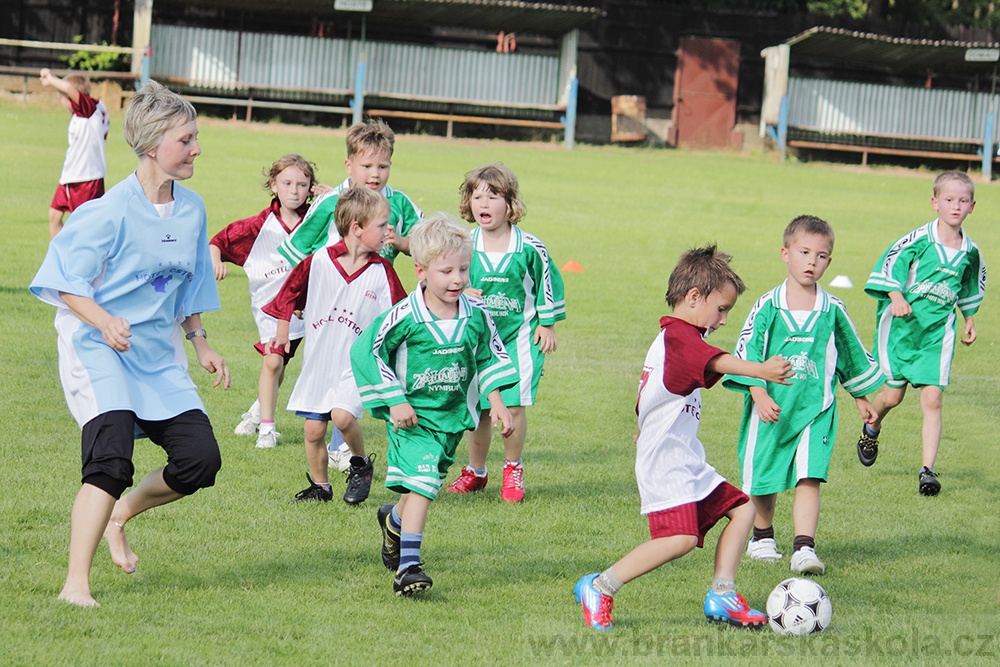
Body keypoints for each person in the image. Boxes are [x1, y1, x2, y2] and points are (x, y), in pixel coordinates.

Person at [29, 80, 229, 608]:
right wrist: (104, 321)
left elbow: (188, 288)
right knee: (110, 459)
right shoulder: (107, 210)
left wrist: (201, 343)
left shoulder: (192, 210)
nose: (196, 149)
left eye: (195, 137)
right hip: (98, 347)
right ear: (151, 144)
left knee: (200, 460)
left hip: (157, 357)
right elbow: (62, 277)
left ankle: (122, 514)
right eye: (186, 139)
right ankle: (76, 585)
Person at [573, 245, 793, 631]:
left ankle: (722, 594)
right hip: (666, 460)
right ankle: (600, 585)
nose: (724, 319)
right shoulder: (679, 336)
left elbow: (653, 395)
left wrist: (643, 423)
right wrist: (760, 370)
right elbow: (716, 361)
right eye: (721, 309)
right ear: (694, 297)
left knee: (743, 510)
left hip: (685, 455)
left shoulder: (676, 339)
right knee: (681, 539)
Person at [351, 213, 517, 596]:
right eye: (446, 271)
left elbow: (489, 357)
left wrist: (499, 403)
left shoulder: (476, 316)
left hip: (451, 417)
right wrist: (394, 401)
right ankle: (409, 568)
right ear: (421, 271)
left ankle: (393, 522)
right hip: (412, 419)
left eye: (463, 269)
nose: (457, 279)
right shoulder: (405, 316)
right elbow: (366, 352)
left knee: (419, 487)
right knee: (425, 486)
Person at [724, 216, 882, 576]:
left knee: (809, 476)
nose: (812, 262)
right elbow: (746, 355)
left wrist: (860, 397)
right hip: (772, 407)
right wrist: (759, 395)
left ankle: (803, 548)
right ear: (785, 253)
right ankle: (762, 536)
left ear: (830, 262)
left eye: (822, 256)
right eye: (804, 252)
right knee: (763, 476)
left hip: (816, 408)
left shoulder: (832, 310)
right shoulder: (768, 306)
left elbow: (848, 354)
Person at [277, 118, 422, 471]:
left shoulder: (399, 204)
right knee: (320, 372)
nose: (375, 173)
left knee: (354, 372)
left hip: (371, 306)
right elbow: (296, 251)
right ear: (349, 165)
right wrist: (297, 299)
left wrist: (403, 243)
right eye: (367, 165)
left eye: (383, 166)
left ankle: (344, 446)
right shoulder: (330, 203)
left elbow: (426, 245)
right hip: (328, 309)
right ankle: (267, 414)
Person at [264, 187, 407, 505]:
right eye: (381, 226)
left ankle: (360, 465)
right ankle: (321, 486)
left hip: (359, 363)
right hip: (320, 361)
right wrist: (283, 329)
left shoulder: (382, 271)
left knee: (342, 416)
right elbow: (289, 293)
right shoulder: (318, 262)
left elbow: (403, 313)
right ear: (357, 227)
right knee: (313, 430)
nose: (388, 232)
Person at [856, 171, 986, 496]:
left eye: (962, 201)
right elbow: (889, 266)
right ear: (935, 203)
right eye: (949, 200)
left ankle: (927, 470)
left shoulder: (970, 251)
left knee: (933, 398)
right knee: (893, 396)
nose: (955, 206)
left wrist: (969, 318)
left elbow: (970, 286)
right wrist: (896, 296)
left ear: (972, 206)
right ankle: (872, 425)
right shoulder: (918, 240)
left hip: (936, 335)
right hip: (900, 331)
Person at [445, 163, 565, 502]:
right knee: (480, 408)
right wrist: (459, 293)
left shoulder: (529, 247)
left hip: (520, 338)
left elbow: (548, 282)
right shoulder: (463, 243)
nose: (483, 203)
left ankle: (513, 468)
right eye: (476, 196)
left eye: (492, 196)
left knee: (511, 406)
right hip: (478, 341)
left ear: (510, 203)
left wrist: (547, 322)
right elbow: (445, 279)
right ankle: (476, 471)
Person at [210, 154, 316, 449]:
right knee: (273, 361)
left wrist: (331, 195)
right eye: (287, 183)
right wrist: (216, 260)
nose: (295, 190)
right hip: (271, 309)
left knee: (279, 365)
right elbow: (218, 241)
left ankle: (257, 413)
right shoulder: (258, 226)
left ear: (311, 188)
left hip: (307, 308)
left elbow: (351, 213)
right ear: (274, 185)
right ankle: (267, 429)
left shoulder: (318, 221)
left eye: (302, 184)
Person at [40, 68, 111, 237]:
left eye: (62, 96)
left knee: (85, 227)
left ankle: (86, 260)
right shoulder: (91, 109)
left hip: (86, 178)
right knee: (54, 215)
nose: (61, 100)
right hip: (70, 175)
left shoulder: (87, 110)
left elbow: (71, 90)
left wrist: (51, 78)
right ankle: (60, 259)